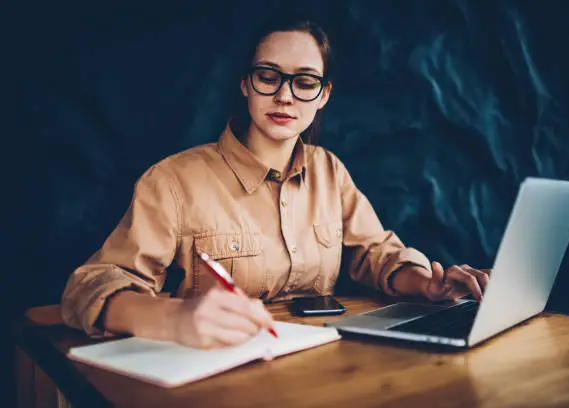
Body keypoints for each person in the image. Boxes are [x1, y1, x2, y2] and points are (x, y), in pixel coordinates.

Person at [61, 17, 490, 350]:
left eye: (304, 82)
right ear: (246, 84)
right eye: (269, 76)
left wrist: (427, 284)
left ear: (323, 95)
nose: (285, 96)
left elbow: (376, 253)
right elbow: (91, 285)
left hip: (318, 366)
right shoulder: (173, 181)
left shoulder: (330, 172)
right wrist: (174, 317)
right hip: (211, 375)